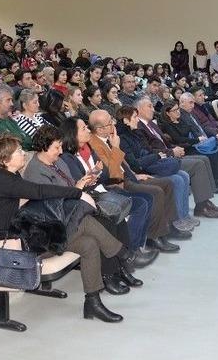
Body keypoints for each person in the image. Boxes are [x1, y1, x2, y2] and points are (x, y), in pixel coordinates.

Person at [0, 133, 131, 322]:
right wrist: (76, 193)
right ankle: (123, 253)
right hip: (16, 244)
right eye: (18, 151)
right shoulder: (0, 180)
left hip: (29, 232)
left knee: (89, 244)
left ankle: (93, 303)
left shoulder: (8, 175)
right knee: (83, 221)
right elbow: (39, 191)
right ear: (5, 160)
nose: (23, 153)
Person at [23, 125, 150, 293]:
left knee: (116, 217)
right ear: (43, 147)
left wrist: (83, 182)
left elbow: (69, 186)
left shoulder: (57, 161)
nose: (61, 151)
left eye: (60, 146)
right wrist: (77, 189)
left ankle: (121, 268)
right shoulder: (35, 172)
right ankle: (110, 274)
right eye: (56, 147)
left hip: (73, 208)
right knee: (105, 222)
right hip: (58, 219)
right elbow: (51, 204)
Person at [86, 110, 199, 236]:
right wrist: (116, 148)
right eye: (109, 122)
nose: (114, 123)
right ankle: (156, 236)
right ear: (100, 129)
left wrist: (135, 174)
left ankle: (170, 225)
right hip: (119, 183)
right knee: (156, 191)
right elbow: (113, 173)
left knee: (168, 184)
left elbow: (125, 164)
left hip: (130, 176)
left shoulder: (109, 138)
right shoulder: (95, 145)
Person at [134, 96, 218, 200]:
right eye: (149, 106)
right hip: (160, 161)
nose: (153, 109)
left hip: (170, 154)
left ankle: (209, 195)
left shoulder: (151, 124)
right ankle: (203, 203)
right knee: (199, 164)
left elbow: (166, 143)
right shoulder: (138, 127)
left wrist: (175, 148)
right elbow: (148, 150)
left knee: (204, 159)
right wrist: (172, 151)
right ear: (139, 109)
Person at [159, 100, 218, 189]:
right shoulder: (168, 125)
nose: (178, 112)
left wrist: (203, 137)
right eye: (174, 110)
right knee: (213, 154)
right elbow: (179, 139)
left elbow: (193, 129)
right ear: (168, 113)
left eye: (178, 109)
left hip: (193, 144)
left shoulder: (181, 120)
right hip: (185, 149)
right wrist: (197, 140)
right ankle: (216, 183)